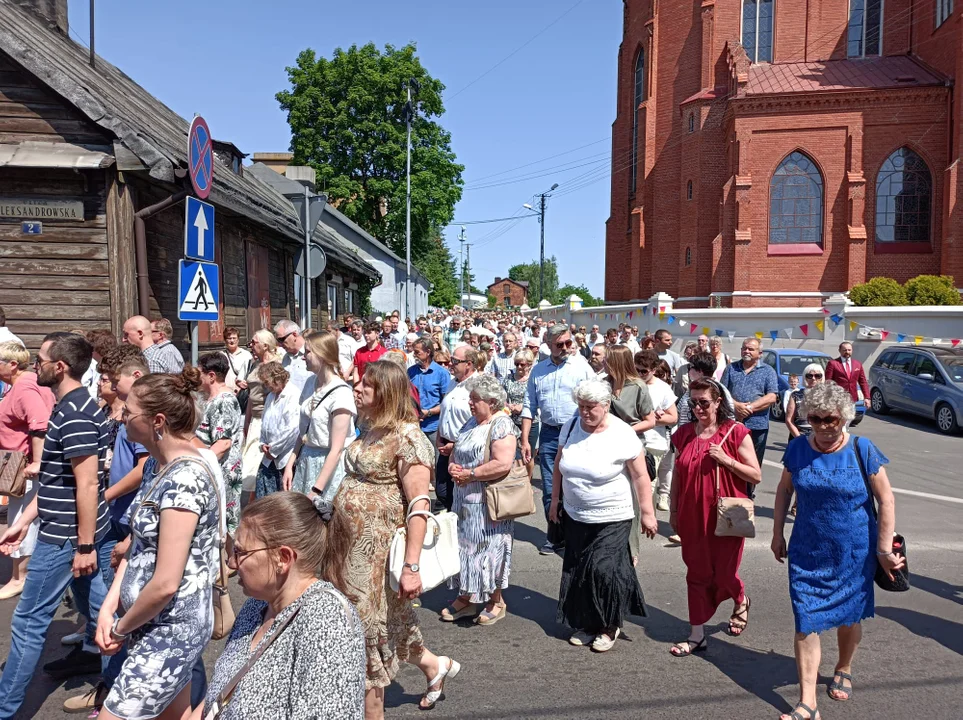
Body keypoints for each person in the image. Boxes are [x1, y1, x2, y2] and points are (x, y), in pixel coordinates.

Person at [0, 333, 118, 719]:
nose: (36, 365)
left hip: (66, 537)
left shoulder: (77, 413)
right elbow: (59, 481)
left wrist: (83, 547)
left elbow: (86, 483)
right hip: (72, 530)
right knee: (100, 609)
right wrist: (25, 520)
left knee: (29, 621)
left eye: (40, 360)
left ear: (60, 367)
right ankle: (120, 686)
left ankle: (6, 707)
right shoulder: (72, 406)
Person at [335, 361, 462, 717]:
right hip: (351, 550)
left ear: (386, 394)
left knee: (368, 630)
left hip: (378, 556)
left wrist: (411, 566)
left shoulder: (409, 438)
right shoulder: (370, 427)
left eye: (366, 385)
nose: (357, 388)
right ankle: (434, 666)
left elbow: (420, 505)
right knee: (391, 619)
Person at [93, 368, 221, 720]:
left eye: (128, 412)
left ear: (157, 421)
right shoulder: (156, 467)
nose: (121, 417)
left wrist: (121, 627)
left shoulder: (185, 480)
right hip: (147, 622)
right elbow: (139, 552)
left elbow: (165, 583)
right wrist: (110, 605)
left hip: (172, 628)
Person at [772, 382, 902, 720]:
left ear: (844, 417)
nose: (824, 427)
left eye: (830, 419)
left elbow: (886, 499)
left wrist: (884, 550)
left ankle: (844, 665)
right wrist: (776, 533)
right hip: (806, 551)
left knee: (849, 617)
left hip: (853, 553)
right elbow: (784, 489)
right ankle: (807, 703)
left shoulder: (863, 449)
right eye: (815, 419)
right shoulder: (798, 448)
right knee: (805, 621)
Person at [197, 493, 365, 719]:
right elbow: (217, 699)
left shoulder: (327, 619)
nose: (231, 563)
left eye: (240, 552)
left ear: (283, 558)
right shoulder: (255, 607)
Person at [551, 379, 657, 652]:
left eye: (590, 407)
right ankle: (588, 623)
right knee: (579, 570)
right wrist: (554, 501)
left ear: (607, 405)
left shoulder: (622, 433)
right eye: (581, 406)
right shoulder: (571, 426)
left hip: (614, 516)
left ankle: (609, 625)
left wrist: (648, 513)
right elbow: (558, 466)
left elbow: (641, 476)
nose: (584, 412)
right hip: (576, 514)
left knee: (603, 570)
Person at [668, 379, 760, 657]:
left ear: (718, 402)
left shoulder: (735, 432)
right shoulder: (683, 434)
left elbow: (756, 474)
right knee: (696, 573)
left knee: (723, 573)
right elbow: (678, 476)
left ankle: (740, 597)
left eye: (703, 402)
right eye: (693, 403)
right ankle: (697, 635)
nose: (698, 408)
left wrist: (726, 460)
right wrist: (673, 510)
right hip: (691, 514)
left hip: (726, 516)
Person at [442, 375, 519, 625]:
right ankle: (466, 597)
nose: (470, 404)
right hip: (463, 499)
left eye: (476, 400)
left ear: (492, 402)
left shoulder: (501, 425)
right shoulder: (470, 422)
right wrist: (453, 466)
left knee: (489, 550)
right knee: (465, 550)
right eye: (470, 399)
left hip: (488, 502)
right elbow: (457, 450)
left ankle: (495, 600)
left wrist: (471, 473)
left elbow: (503, 463)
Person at [521, 324, 594, 555]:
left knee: (576, 485)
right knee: (551, 489)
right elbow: (528, 406)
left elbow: (596, 398)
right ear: (548, 344)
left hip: (576, 432)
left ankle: (576, 535)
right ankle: (555, 537)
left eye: (568, 343)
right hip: (550, 434)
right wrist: (526, 441)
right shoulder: (538, 370)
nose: (565, 348)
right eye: (559, 344)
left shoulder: (581, 368)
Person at [0, 342, 54, 600]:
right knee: (24, 517)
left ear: (12, 364)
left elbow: (39, 424)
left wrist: (38, 461)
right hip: (18, 463)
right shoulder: (24, 383)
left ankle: (20, 577)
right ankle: (25, 575)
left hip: (24, 466)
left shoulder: (25, 387)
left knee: (21, 519)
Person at [284, 332, 355, 501]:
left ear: (322, 355)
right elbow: (303, 432)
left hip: (329, 468)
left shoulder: (341, 393)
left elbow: (336, 449)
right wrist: (290, 463)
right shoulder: (310, 383)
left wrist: (316, 490)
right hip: (306, 461)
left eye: (308, 352)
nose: (303, 357)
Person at [604, 345, 656, 564]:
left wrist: (625, 430)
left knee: (632, 500)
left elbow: (650, 420)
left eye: (607, 359)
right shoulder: (603, 384)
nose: (603, 362)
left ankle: (631, 549)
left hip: (632, 446)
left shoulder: (637, 387)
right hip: (606, 447)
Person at [721, 337, 779, 496]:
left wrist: (749, 408)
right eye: (744, 348)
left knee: (752, 462)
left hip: (757, 425)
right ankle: (731, 492)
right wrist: (736, 406)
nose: (746, 351)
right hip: (731, 423)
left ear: (760, 354)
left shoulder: (768, 371)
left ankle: (747, 493)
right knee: (730, 458)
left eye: (750, 349)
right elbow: (721, 392)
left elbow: (772, 397)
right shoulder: (731, 368)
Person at [196, 352, 244, 541]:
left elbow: (223, 443)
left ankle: (229, 560)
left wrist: (199, 465)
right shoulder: (207, 399)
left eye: (200, 373)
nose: (197, 377)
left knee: (227, 516)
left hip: (221, 469)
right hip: (211, 467)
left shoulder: (223, 401)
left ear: (211, 375)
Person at [435, 346, 478, 513]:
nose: (450, 364)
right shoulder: (452, 383)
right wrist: (440, 437)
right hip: (445, 446)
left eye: (455, 361)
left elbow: (478, 422)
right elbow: (445, 413)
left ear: (468, 364)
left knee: (461, 494)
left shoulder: (476, 385)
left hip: (464, 448)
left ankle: (457, 527)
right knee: (442, 490)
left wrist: (455, 445)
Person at [634, 350, 679, 511]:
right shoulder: (631, 383)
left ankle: (641, 520)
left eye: (644, 371)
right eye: (636, 369)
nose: (640, 374)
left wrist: (651, 418)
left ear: (653, 369)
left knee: (647, 485)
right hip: (632, 441)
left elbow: (673, 417)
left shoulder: (663, 388)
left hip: (654, 442)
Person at [240, 330, 281, 501]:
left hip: (266, 419)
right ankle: (252, 502)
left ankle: (257, 503)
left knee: (257, 464)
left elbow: (277, 396)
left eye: (254, 342)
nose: (251, 345)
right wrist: (246, 423)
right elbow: (251, 396)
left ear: (265, 345)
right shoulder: (254, 364)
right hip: (254, 418)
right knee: (250, 464)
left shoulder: (276, 365)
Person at [256, 363, 300, 498]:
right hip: (268, 456)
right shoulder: (271, 396)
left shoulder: (293, 395)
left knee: (282, 500)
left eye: (267, 382)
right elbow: (265, 422)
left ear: (277, 378)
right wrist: (262, 444)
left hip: (284, 457)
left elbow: (293, 429)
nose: (266, 386)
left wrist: (273, 450)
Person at [408, 338, 451, 451]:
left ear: (427, 352)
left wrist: (428, 413)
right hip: (414, 427)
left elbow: (446, 403)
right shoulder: (410, 372)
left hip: (434, 428)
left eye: (417, 352)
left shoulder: (442, 373)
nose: (414, 355)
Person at [500, 348, 537, 480]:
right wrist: (507, 405)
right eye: (517, 364)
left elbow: (537, 399)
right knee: (512, 454)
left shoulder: (533, 379)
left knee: (528, 454)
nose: (519, 367)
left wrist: (523, 407)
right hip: (511, 420)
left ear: (529, 364)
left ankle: (528, 480)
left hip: (530, 420)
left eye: (522, 364)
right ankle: (515, 481)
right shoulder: (509, 378)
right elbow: (501, 396)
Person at [785, 364, 825, 439]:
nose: (813, 378)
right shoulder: (795, 395)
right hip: (798, 437)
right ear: (804, 377)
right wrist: (799, 439)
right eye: (809, 376)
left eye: (817, 376)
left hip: (821, 439)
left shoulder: (827, 396)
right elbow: (789, 420)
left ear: (822, 378)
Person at [222, 326, 254, 390]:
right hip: (226, 392)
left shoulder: (246, 355)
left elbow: (252, 374)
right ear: (225, 340)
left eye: (234, 338)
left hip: (241, 392)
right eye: (229, 338)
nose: (232, 341)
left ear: (238, 339)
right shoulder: (221, 355)